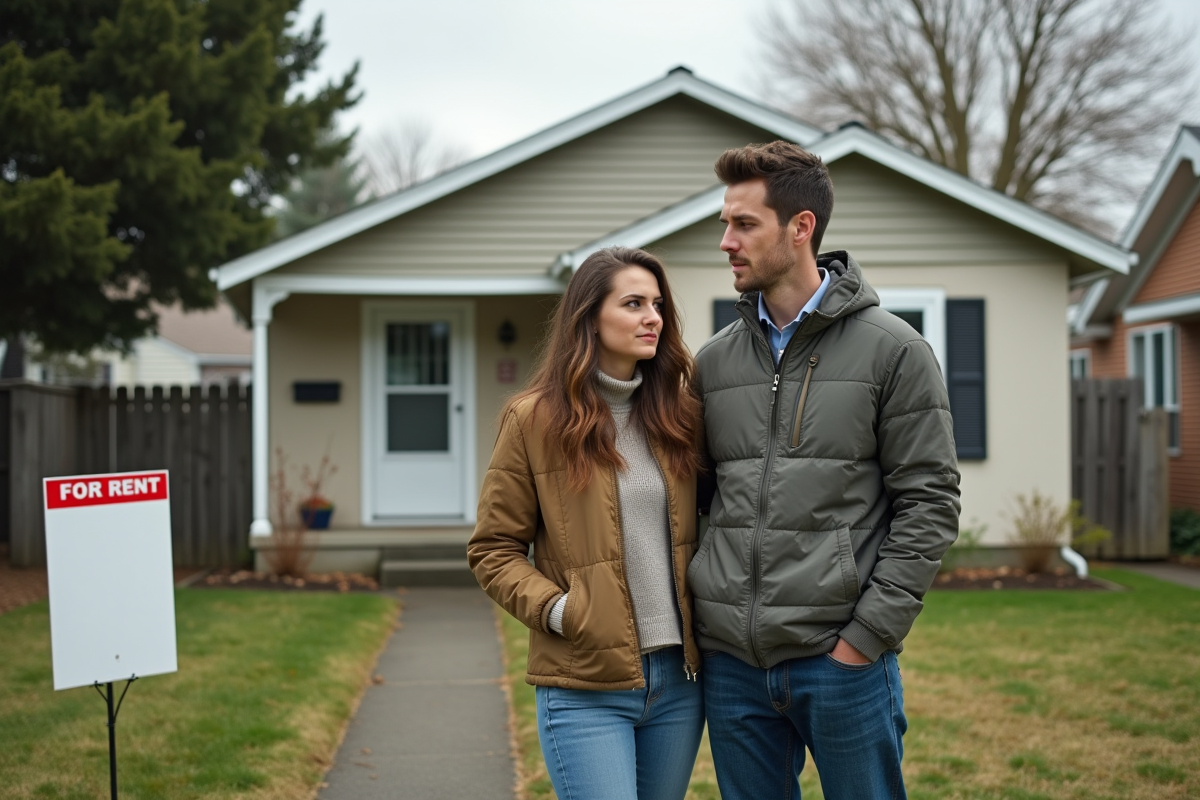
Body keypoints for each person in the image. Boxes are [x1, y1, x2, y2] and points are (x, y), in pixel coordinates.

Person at [690, 140, 961, 800]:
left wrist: (865, 639)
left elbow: (930, 502)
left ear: (800, 227)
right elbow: (694, 500)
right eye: (724, 224)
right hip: (734, 669)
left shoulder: (893, 350)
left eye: (744, 224)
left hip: (841, 665)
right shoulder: (713, 363)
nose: (726, 241)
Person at [468, 246, 705, 800]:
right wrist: (560, 611)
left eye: (657, 304)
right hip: (584, 683)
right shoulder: (533, 420)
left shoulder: (681, 415)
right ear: (589, 318)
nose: (653, 317)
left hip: (679, 682)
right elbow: (493, 549)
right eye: (633, 303)